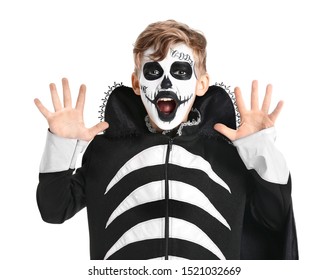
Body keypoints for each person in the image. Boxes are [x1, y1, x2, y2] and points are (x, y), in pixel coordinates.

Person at [34, 20, 298, 260]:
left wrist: (261, 149)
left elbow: (275, 217)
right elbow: (54, 210)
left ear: (201, 84)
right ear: (136, 84)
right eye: (153, 72)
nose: (166, 83)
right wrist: (62, 144)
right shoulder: (106, 151)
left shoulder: (229, 154)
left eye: (181, 72)